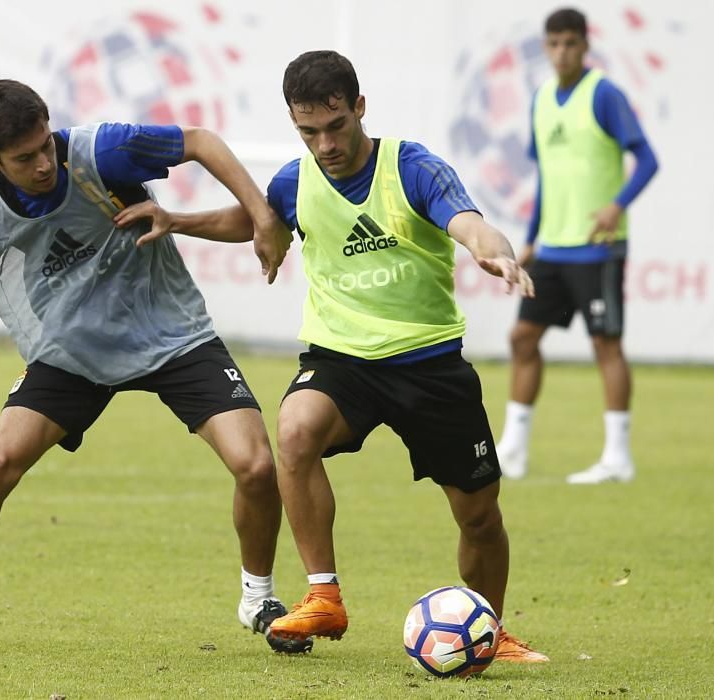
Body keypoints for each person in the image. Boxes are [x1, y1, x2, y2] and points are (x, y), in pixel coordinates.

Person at [115, 50, 548, 662]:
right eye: (308, 131)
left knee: (479, 517)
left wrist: (492, 250)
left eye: (335, 126)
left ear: (359, 108)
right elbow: (256, 220)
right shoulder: (296, 180)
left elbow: (470, 222)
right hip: (342, 359)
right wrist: (177, 218)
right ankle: (323, 596)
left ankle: (488, 630)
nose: (325, 144)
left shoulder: (413, 166)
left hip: (429, 363)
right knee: (293, 431)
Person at [0, 79, 309, 656]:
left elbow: (201, 141)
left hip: (168, 329)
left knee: (257, 466)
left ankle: (258, 598)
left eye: (44, 146)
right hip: (72, 352)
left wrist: (262, 217)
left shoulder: (99, 151)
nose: (43, 164)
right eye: (23, 158)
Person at [495, 7, 659, 485]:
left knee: (606, 345)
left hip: (598, 248)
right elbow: (546, 176)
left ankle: (617, 456)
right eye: (554, 44)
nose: (562, 52)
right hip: (554, 248)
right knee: (522, 339)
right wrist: (530, 240)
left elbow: (648, 160)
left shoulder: (604, 94)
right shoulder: (541, 97)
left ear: (586, 45)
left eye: (571, 43)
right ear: (546, 48)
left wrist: (615, 206)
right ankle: (516, 451)